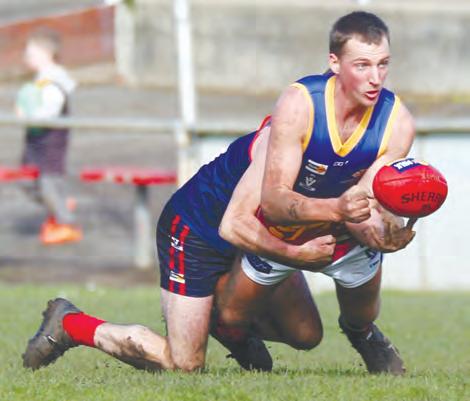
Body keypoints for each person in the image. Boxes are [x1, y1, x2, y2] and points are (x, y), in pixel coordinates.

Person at [22, 11, 415, 374]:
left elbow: (362, 207)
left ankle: (225, 325)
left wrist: (386, 231)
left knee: (306, 335)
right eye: (362, 65)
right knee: (184, 364)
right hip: (201, 229)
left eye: (383, 64)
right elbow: (236, 223)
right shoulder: (301, 108)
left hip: (260, 230)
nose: (375, 78)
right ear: (335, 63)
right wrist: (299, 253)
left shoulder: (395, 122)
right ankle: (71, 323)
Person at [15, 28, 82, 245]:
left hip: (51, 142)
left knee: (49, 182)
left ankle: (67, 224)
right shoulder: (38, 80)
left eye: (31, 54)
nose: (26, 58)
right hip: (34, 141)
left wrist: (30, 115)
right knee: (27, 180)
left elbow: (49, 112)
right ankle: (61, 205)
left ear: (46, 54)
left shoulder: (55, 81)